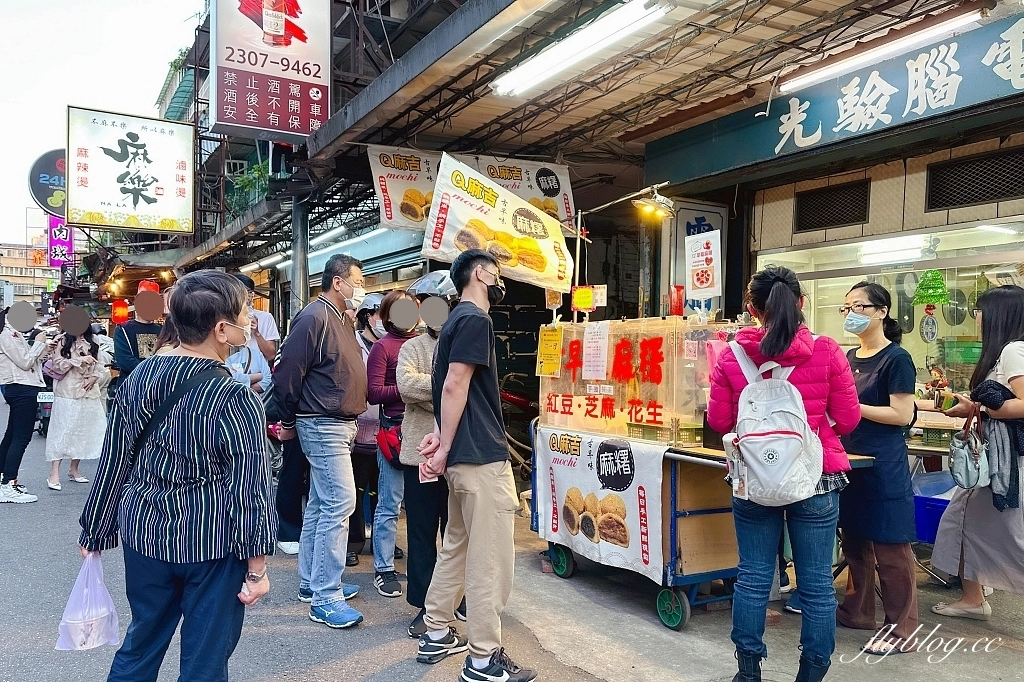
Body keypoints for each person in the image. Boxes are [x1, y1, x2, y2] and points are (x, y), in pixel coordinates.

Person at [79, 270, 276, 681]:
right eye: (245, 313)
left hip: (145, 531)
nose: (250, 321)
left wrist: (94, 530)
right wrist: (256, 569)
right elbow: (250, 488)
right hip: (211, 540)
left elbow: (115, 459)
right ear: (222, 329)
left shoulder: (139, 377)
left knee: (142, 640)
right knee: (205, 658)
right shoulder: (234, 395)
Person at [707, 265, 860, 682]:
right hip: (816, 478)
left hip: (753, 480)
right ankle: (811, 673)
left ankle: (749, 671)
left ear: (753, 309)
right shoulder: (828, 351)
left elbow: (721, 420)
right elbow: (846, 421)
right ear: (802, 304)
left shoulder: (732, 354)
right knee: (815, 583)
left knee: (754, 577)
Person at [415, 250, 536, 682]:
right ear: (481, 274)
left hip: (464, 458)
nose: (501, 279)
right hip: (480, 457)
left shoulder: (452, 322)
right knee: (490, 558)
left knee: (458, 546)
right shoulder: (475, 320)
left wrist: (440, 439)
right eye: (497, 271)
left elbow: (447, 387)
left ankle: (436, 630)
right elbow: (454, 383)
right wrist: (444, 444)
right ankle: (484, 659)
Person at [273, 254, 368, 629]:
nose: (361, 288)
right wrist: (286, 418)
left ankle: (313, 584)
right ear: (338, 281)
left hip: (339, 423)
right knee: (339, 503)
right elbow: (288, 373)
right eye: (357, 280)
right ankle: (326, 597)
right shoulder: (314, 316)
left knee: (321, 504)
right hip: (322, 422)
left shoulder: (342, 318)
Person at [835, 282, 918, 653]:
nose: (852, 313)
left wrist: (853, 408)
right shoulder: (849, 356)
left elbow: (902, 414)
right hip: (849, 459)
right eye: (847, 306)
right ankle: (858, 611)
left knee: (890, 548)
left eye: (860, 306)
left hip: (882, 462)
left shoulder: (896, 358)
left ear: (881, 311)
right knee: (854, 540)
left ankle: (902, 630)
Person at [932, 285, 1024, 620]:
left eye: (980, 311)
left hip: (1006, 461)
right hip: (997, 457)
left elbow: (1021, 404)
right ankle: (972, 598)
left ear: (999, 314)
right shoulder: (1007, 352)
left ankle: (973, 598)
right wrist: (971, 407)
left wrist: (984, 409)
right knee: (965, 521)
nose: (978, 318)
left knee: (1004, 532)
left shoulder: (1013, 350)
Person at [398, 271, 467, 637]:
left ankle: (458, 596)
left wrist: (447, 389)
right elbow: (406, 387)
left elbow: (472, 388)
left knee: (458, 532)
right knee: (423, 533)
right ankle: (424, 605)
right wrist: (450, 385)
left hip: (460, 453)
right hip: (420, 453)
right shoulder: (412, 347)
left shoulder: (464, 340)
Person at [368, 290, 418, 598]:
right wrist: (411, 389)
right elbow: (374, 393)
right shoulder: (382, 347)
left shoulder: (425, 343)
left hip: (426, 432)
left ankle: (422, 567)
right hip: (395, 434)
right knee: (389, 503)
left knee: (422, 506)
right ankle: (383, 568)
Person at [45, 326, 112, 491]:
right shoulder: (62, 340)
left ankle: (74, 469)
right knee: (62, 431)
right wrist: (78, 360)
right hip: (67, 392)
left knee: (83, 431)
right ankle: (54, 473)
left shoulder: (94, 340)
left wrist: (95, 377)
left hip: (89, 392)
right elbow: (57, 365)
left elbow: (101, 365)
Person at [0, 308, 56, 503]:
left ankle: (4, 480)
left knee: (12, 435)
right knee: (21, 437)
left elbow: (29, 361)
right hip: (21, 388)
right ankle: (8, 484)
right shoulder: (7, 334)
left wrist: (44, 348)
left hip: (21, 387)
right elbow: (25, 363)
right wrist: (39, 343)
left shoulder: (12, 332)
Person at [348, 293, 385, 566]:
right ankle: (353, 542)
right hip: (359, 432)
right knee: (355, 490)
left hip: (387, 433)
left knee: (384, 491)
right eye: (380, 314)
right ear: (367, 317)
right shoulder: (353, 346)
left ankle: (383, 542)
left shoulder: (391, 345)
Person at [113, 285, 163, 379]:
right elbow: (125, 360)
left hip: (157, 384)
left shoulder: (162, 329)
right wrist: (150, 374)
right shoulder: (123, 329)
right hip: (132, 384)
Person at [234, 274, 280, 363]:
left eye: (249, 292)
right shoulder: (224, 319)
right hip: (230, 374)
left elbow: (271, 355)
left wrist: (257, 333)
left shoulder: (266, 318)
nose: (247, 296)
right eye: (242, 292)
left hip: (258, 374)